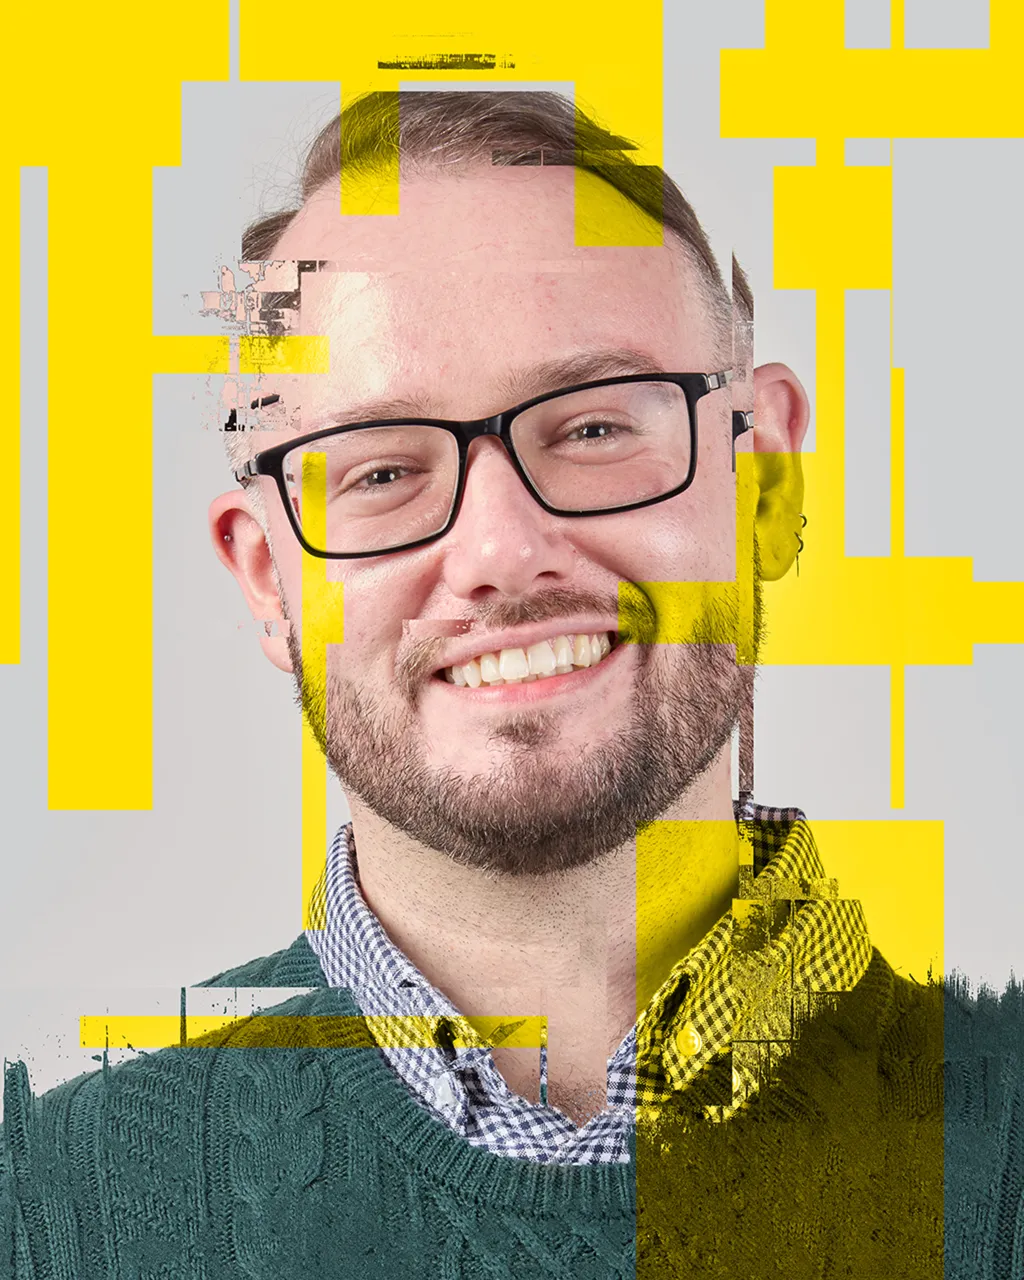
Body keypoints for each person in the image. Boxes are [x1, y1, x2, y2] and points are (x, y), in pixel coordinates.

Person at [0, 90, 1007, 1279]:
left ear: (767, 486)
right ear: (269, 579)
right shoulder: (41, 1207)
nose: (501, 549)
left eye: (592, 429)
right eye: (380, 470)